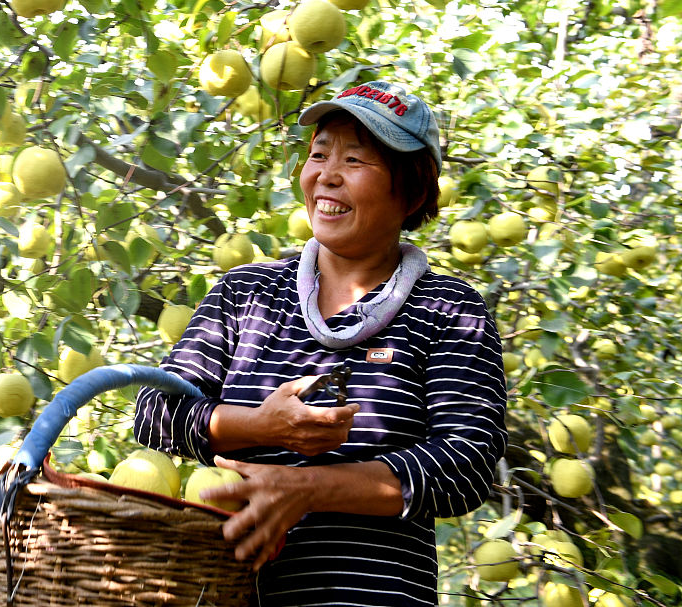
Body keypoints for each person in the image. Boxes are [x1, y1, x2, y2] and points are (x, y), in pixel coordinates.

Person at [134, 79, 508, 607]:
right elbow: (154, 412)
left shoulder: (448, 310)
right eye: (318, 154)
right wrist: (259, 426)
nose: (326, 176)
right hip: (224, 591)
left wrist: (306, 489)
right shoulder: (246, 295)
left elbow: (465, 465)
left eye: (356, 161)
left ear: (414, 192)